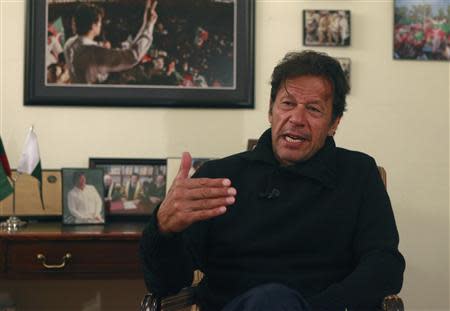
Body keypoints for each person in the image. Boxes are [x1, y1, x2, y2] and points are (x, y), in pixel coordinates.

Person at [140, 50, 405, 311]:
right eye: (287, 104)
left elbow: (384, 266)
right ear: (271, 111)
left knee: (274, 301)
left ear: (334, 123)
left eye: (313, 109)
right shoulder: (218, 177)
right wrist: (163, 230)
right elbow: (166, 285)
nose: (297, 119)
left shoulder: (358, 173)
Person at [63, 0, 158, 84]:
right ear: (93, 25)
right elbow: (132, 56)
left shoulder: (69, 44)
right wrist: (148, 25)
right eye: (100, 22)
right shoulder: (94, 52)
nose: (101, 25)